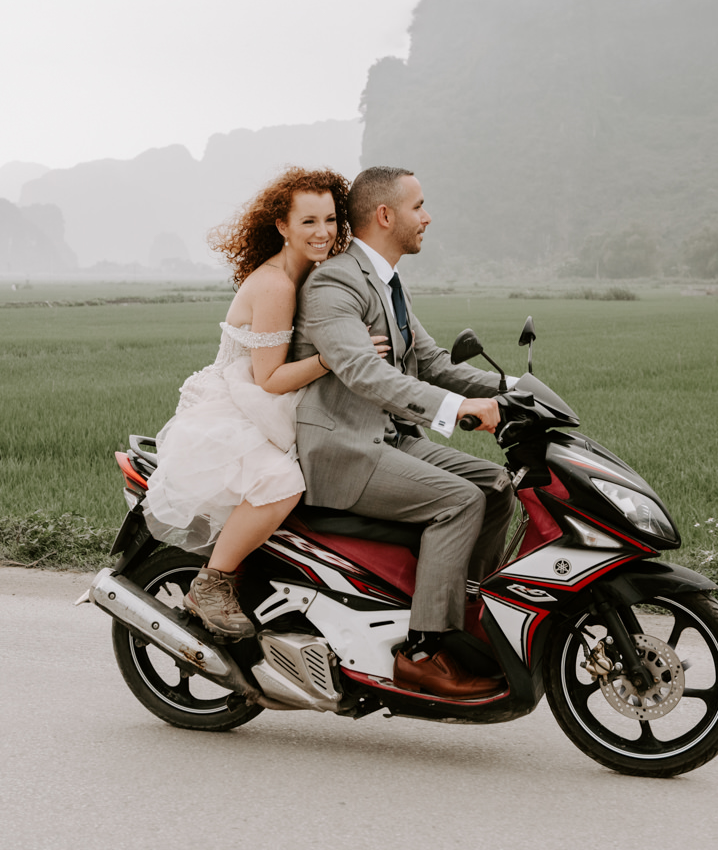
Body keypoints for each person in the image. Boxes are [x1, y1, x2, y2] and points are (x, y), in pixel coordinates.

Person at [291, 166, 517, 699]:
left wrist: (515, 389)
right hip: (344, 449)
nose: (428, 216)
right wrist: (458, 410)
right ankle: (422, 651)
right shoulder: (334, 284)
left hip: (390, 440)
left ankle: (461, 613)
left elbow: (433, 362)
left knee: (497, 486)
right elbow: (367, 374)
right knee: (459, 502)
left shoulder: (387, 280)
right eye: (419, 206)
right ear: (386, 215)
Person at [144, 167, 390, 639]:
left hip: (273, 402)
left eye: (331, 220)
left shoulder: (315, 275)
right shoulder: (276, 284)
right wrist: (337, 357)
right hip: (242, 405)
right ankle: (211, 583)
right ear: (282, 226)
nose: (323, 233)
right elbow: (270, 379)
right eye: (308, 222)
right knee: (281, 485)